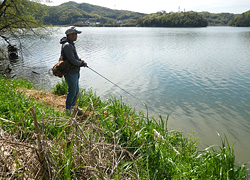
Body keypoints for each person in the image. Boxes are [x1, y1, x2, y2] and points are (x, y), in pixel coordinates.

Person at [60, 26, 87, 113]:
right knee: (72, 91)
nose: (76, 36)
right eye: (75, 34)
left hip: (75, 71)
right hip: (70, 72)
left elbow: (74, 58)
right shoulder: (67, 45)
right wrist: (81, 64)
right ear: (70, 35)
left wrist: (80, 61)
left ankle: (73, 106)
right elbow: (71, 60)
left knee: (76, 90)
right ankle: (68, 109)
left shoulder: (70, 44)